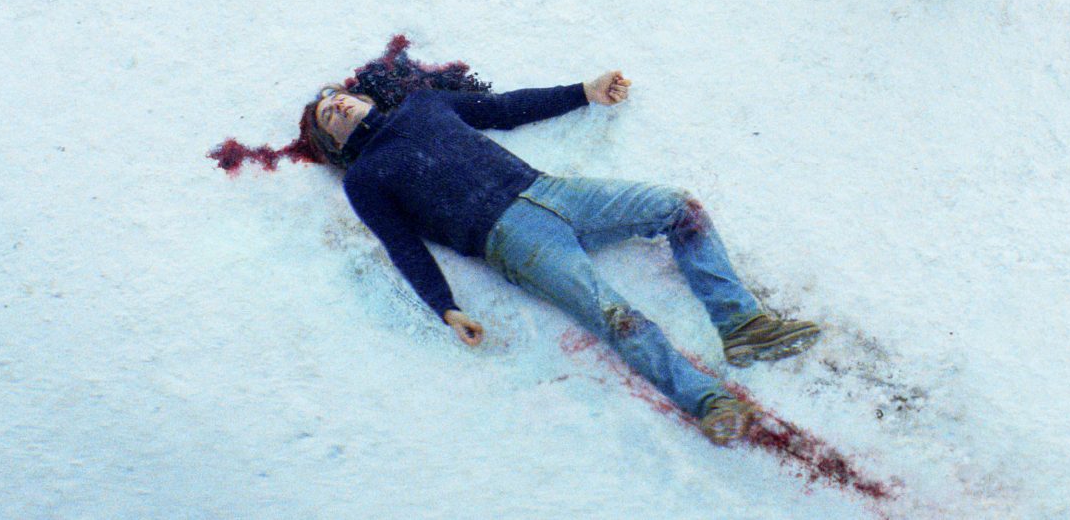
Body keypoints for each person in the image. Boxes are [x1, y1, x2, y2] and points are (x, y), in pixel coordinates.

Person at [301, 69, 822, 446]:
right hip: (509, 241)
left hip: (552, 192)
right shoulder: (365, 180)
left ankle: (743, 324)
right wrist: (445, 306)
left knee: (677, 207)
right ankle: (710, 401)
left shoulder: (425, 105)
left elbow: (504, 110)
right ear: (335, 142)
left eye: (340, 97)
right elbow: (403, 248)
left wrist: (584, 92)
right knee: (616, 316)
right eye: (329, 115)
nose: (339, 105)